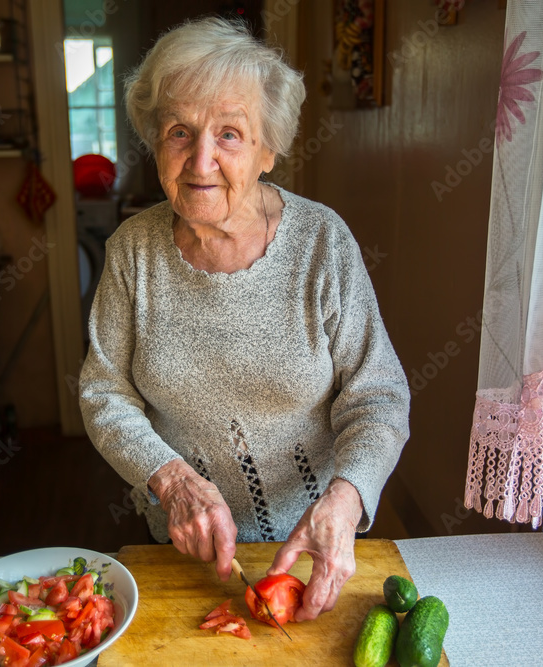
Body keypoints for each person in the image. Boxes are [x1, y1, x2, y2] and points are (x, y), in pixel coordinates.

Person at [79, 16, 410, 622]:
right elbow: (105, 394)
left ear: (268, 150)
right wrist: (172, 482)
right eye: (180, 131)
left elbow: (379, 397)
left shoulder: (322, 243)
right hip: (181, 550)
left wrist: (345, 497)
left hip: (312, 551)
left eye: (229, 134)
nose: (200, 160)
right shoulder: (132, 250)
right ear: (155, 142)